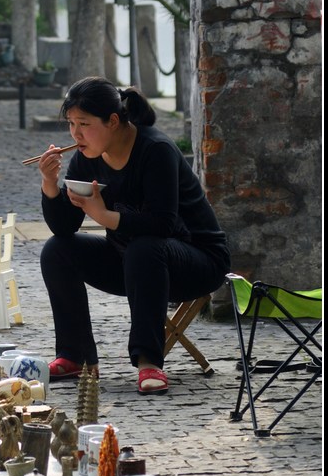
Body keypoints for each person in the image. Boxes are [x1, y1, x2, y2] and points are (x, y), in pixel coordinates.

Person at [36, 77, 230, 395]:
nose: (76, 134)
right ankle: (76, 357)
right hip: (134, 261)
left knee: (144, 247)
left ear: (113, 121)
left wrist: (103, 216)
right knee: (56, 250)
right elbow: (64, 227)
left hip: (197, 260)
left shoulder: (156, 151)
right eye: (71, 124)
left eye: (84, 124)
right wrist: (49, 184)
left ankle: (149, 363)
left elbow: (162, 225)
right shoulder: (86, 157)